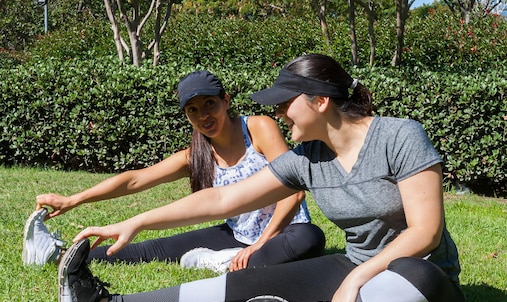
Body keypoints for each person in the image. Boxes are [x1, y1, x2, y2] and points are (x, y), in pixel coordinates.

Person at [57, 54, 465, 302]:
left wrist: (355, 280)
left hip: (420, 275)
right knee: (247, 284)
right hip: (355, 266)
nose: (280, 114)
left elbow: (425, 232)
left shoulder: (400, 136)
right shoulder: (307, 158)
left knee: (414, 281)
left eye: (287, 104)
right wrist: (136, 221)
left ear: (321, 101)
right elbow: (221, 200)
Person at [23, 70, 325, 273]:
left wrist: (260, 244)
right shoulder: (196, 155)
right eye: (193, 110)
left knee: (311, 239)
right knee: (151, 248)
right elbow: (135, 179)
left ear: (226, 101)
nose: (204, 115)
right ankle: (57, 255)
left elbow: (294, 189)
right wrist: (73, 199)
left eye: (210, 104)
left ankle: (228, 263)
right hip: (238, 236)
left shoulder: (258, 127)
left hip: (287, 232)